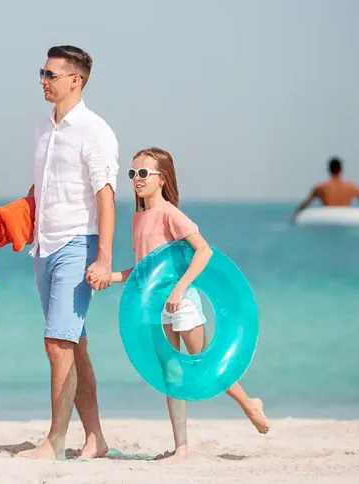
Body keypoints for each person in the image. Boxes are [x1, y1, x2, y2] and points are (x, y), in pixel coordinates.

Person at [109, 147, 269, 461]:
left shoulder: (169, 213)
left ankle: (250, 404)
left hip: (182, 305)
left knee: (204, 365)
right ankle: (181, 448)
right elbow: (143, 270)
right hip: (156, 310)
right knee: (171, 376)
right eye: (132, 173)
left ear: (162, 178)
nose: (136, 179)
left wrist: (180, 289)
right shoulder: (138, 217)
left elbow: (204, 251)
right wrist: (110, 276)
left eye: (144, 173)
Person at [16, 45, 116, 461]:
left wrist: (105, 258)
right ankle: (96, 438)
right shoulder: (44, 128)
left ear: (75, 80)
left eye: (51, 74)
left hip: (79, 242)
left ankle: (54, 441)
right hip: (44, 245)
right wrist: (19, 218)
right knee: (73, 345)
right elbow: (43, 187)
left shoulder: (95, 130)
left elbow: (105, 196)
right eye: (41, 72)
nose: (43, 79)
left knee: (57, 343)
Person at [291, 156, 359, 222]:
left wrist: (295, 216)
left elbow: (304, 205)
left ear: (329, 169)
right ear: (341, 169)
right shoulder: (353, 188)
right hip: (346, 221)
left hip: (327, 221)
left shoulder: (320, 188)